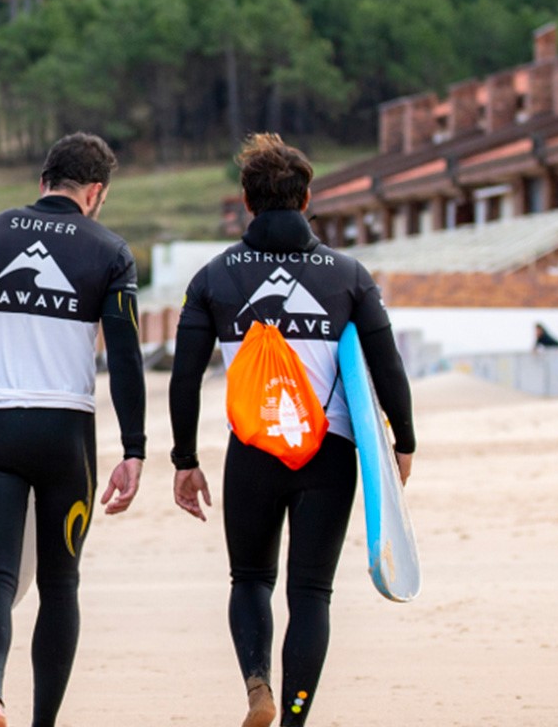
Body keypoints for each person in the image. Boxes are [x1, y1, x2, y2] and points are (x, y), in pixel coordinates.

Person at [168, 135, 417, 727]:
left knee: (250, 578)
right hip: (329, 454)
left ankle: (259, 688)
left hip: (253, 451)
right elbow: (387, 367)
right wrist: (401, 443)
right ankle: (296, 718)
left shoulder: (215, 277)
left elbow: (184, 377)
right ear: (306, 199)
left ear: (248, 203)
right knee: (311, 593)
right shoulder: (348, 275)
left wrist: (185, 458)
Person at [0, 132, 148, 727]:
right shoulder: (110, 251)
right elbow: (125, 359)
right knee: (60, 583)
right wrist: (134, 450)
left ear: (42, 181)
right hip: (66, 437)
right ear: (94, 192)